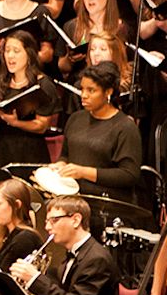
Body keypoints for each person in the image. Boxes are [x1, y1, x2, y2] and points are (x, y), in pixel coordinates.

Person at [50, 63, 142, 202]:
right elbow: (65, 155)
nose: (84, 95)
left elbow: (129, 175)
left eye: (91, 90)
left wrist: (83, 172)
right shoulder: (76, 118)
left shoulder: (125, 127)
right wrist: (60, 165)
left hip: (106, 202)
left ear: (108, 92)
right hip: (72, 198)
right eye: (82, 89)